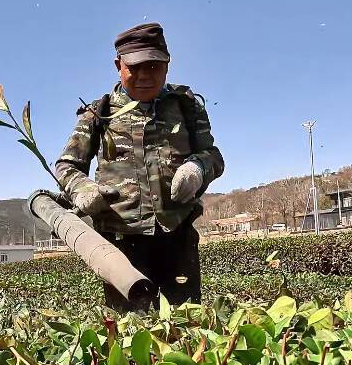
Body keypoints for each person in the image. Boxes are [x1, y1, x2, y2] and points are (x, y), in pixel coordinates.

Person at [54, 22, 225, 310]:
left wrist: (198, 168)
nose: (145, 76)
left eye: (154, 66)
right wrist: (83, 190)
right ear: (118, 65)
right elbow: (67, 166)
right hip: (121, 246)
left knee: (186, 327)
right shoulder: (99, 113)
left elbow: (213, 156)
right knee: (129, 332)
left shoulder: (186, 106)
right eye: (135, 67)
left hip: (177, 239)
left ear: (167, 65)